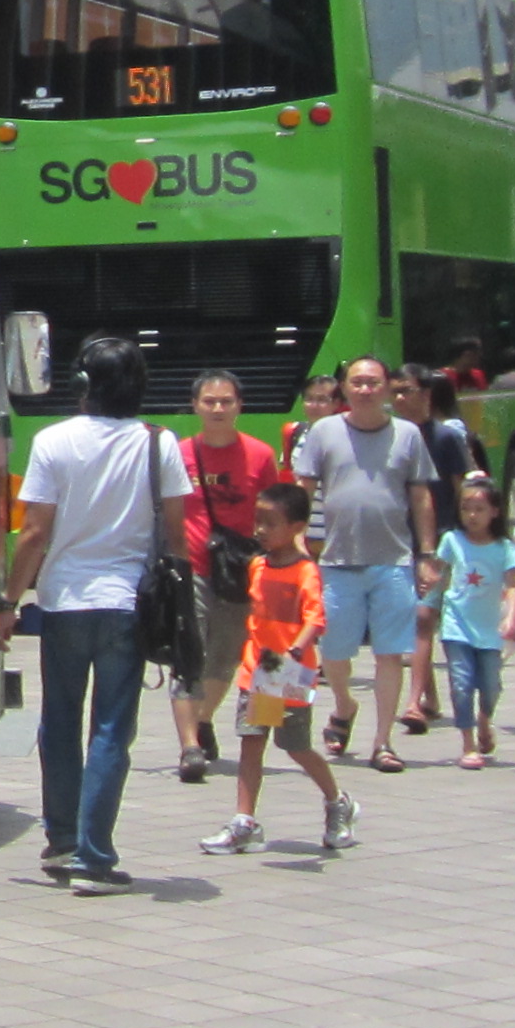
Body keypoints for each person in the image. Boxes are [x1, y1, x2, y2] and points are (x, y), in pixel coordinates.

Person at [0, 334, 191, 893]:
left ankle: (61, 841)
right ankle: (94, 857)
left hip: (63, 602)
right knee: (111, 730)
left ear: (83, 385)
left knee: (59, 721)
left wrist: (9, 603)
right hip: (128, 605)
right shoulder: (160, 445)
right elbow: (175, 536)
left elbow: (34, 533)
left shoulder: (53, 442)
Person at [292, 356, 441, 775]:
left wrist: (426, 554)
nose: (365, 389)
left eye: (373, 382)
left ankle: (383, 742)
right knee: (335, 652)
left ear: (388, 388)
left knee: (390, 653)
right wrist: (298, 537)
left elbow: (421, 497)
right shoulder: (324, 432)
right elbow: (303, 487)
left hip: (393, 561)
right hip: (337, 561)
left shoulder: (408, 435)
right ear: (345, 388)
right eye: (356, 382)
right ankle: (344, 704)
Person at [198, 482, 352, 855]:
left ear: (297, 527)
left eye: (271, 523)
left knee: (294, 745)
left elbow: (315, 617)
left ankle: (337, 801)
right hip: (259, 669)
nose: (261, 530)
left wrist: (297, 649)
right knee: (252, 742)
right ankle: (244, 822)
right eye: (258, 522)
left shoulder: (305, 572)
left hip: (291, 671)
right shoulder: (258, 566)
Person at [169, 370, 286, 787]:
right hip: (190, 570)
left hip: (240, 573)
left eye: (226, 401)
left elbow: (273, 514)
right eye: (209, 401)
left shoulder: (259, 455)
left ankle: (202, 719)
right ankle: (189, 747)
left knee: (225, 657)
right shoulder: (178, 454)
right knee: (187, 656)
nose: (218, 409)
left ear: (239, 406)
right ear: (196, 405)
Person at [401, 367, 484, 733]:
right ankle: (428, 696)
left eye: (408, 391)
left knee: (425, 617)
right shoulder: (390, 437)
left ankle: (417, 699)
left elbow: (462, 486)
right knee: (416, 618)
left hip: (442, 539)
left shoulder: (446, 437)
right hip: (398, 538)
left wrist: (471, 536)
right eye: (396, 391)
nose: (400, 398)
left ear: (426, 394)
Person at [437, 474, 515, 769]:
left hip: (489, 630)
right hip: (455, 623)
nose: (472, 515)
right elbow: (439, 573)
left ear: (495, 511)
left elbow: (512, 585)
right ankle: (468, 743)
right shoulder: (452, 540)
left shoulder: (504, 548)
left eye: (479, 508)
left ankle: (485, 719)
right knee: (461, 683)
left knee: (490, 685)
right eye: (466, 508)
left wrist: (511, 616)